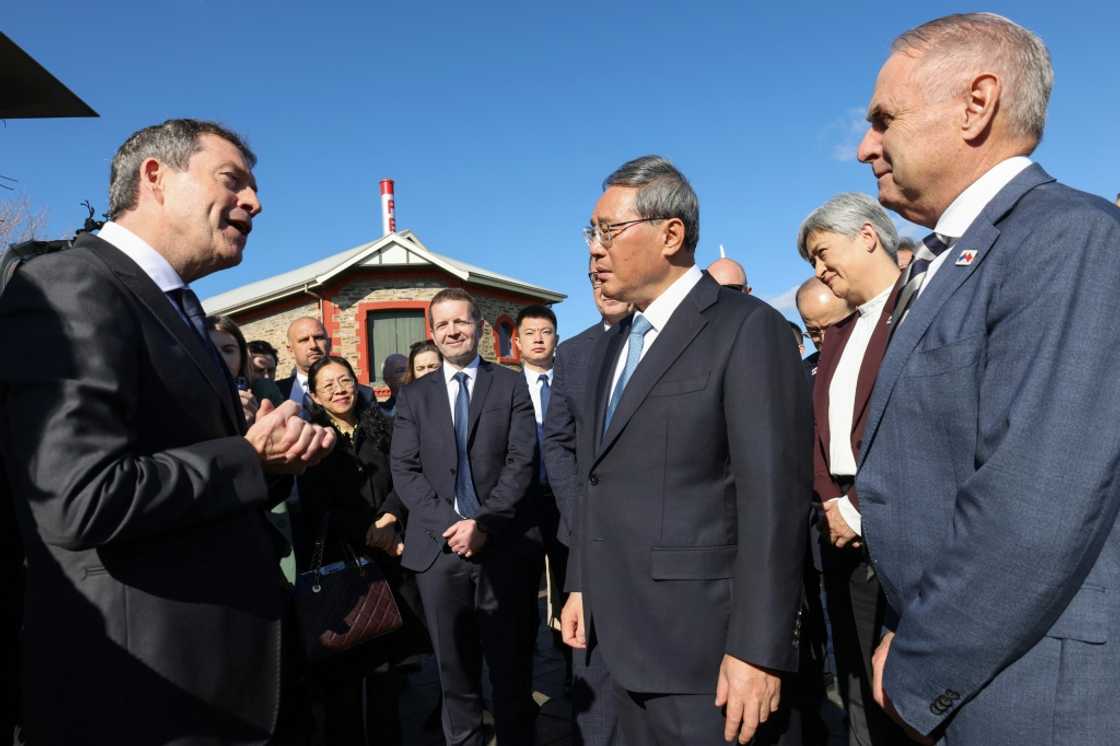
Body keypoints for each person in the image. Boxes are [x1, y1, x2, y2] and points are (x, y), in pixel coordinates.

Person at [0, 118, 335, 745]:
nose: (254, 202)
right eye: (232, 180)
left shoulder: (181, 309)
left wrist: (274, 461)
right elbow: (79, 500)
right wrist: (246, 457)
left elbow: (196, 476)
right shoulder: (71, 284)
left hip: (236, 681)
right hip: (147, 700)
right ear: (155, 177)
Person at [855, 13, 1120, 743]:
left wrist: (918, 667)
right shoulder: (953, 256)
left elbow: (1035, 501)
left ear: (977, 105)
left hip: (1023, 690)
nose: (865, 146)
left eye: (883, 119)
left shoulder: (1066, 238)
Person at [560, 155, 811, 745]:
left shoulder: (746, 328)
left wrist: (758, 649)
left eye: (609, 231)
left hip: (707, 656)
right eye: (591, 232)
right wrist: (581, 582)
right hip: (618, 640)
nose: (594, 249)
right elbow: (596, 478)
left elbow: (773, 502)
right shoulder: (610, 346)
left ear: (670, 234)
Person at [390, 288, 540, 746]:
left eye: (461, 321)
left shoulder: (511, 385)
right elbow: (405, 469)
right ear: (432, 333)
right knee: (455, 678)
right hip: (439, 554)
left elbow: (521, 461)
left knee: (513, 674)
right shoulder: (413, 396)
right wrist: (452, 526)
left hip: (503, 547)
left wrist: (483, 524)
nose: (453, 331)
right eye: (443, 324)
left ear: (479, 326)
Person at [796, 193, 907, 746]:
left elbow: (914, 427)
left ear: (866, 236)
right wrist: (832, 502)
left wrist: (858, 508)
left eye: (822, 253)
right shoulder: (838, 336)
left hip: (900, 527)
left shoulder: (916, 311)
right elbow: (820, 433)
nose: (819, 269)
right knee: (858, 678)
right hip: (841, 528)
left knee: (902, 683)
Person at [298, 355, 429, 746]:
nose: (339, 390)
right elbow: (317, 503)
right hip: (342, 570)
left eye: (345, 380)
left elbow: (406, 475)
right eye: (328, 385)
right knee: (345, 681)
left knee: (389, 676)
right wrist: (370, 532)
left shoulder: (382, 426)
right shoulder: (311, 437)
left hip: (390, 563)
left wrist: (389, 517)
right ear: (315, 396)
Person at [543, 262, 632, 746]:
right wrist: (579, 515)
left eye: (611, 276)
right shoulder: (574, 353)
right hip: (586, 538)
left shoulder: (667, 341)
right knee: (593, 669)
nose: (604, 287)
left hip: (654, 538)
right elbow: (557, 441)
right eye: (595, 281)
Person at [209, 315, 286, 414]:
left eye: (228, 350)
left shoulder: (265, 392)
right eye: (210, 351)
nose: (221, 358)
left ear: (242, 356)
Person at [795, 276, 852, 382]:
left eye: (832, 328)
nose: (824, 339)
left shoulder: (880, 353)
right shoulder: (802, 378)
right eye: (814, 332)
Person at [276, 317, 332, 410]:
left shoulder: (351, 392)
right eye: (304, 340)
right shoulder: (276, 392)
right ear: (291, 350)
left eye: (318, 338)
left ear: (329, 344)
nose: (313, 345)